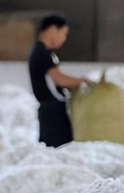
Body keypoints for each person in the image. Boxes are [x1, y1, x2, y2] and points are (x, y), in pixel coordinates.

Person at [28, 15, 93, 147]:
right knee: (59, 148)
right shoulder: (42, 54)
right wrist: (82, 82)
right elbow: (59, 79)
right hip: (52, 111)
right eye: (64, 33)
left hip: (52, 109)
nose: (64, 39)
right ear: (52, 30)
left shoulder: (45, 53)